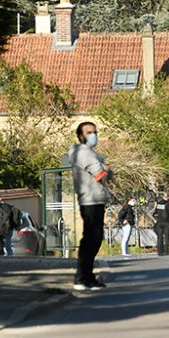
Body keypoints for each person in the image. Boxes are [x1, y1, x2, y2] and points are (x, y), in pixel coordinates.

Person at [67, 121, 111, 290]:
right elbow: (100, 174)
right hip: (90, 200)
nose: (93, 135)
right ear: (80, 136)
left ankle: (88, 276)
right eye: (89, 132)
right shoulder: (84, 154)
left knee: (95, 239)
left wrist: (106, 170)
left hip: (96, 199)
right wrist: (105, 169)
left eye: (94, 132)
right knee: (91, 239)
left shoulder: (91, 153)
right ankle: (82, 277)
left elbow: (107, 173)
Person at [153, 192, 169, 256]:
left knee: (160, 237)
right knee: (167, 237)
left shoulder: (159, 204)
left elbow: (155, 213)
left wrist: (156, 219)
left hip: (159, 222)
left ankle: (160, 251)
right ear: (167, 197)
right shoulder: (167, 204)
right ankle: (166, 251)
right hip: (166, 222)